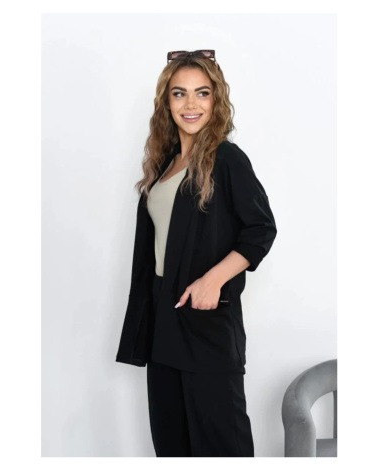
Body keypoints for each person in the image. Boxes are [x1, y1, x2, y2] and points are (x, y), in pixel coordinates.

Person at [116, 50, 277, 457]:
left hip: (206, 327)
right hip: (163, 322)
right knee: (172, 447)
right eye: (179, 93)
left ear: (215, 99)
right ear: (166, 102)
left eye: (202, 93)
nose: (191, 104)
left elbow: (260, 229)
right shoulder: (165, 165)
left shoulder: (227, 159)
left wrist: (213, 280)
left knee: (222, 448)